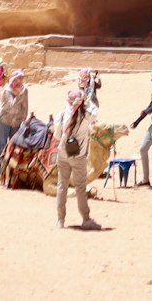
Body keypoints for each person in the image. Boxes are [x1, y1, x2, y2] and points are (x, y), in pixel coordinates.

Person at [53, 87, 100, 230]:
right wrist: (87, 102)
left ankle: (60, 220)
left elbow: (56, 136)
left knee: (62, 186)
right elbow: (95, 112)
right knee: (80, 187)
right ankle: (86, 219)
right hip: (78, 156)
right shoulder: (86, 116)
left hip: (62, 154)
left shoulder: (61, 115)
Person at [0, 70, 28, 173]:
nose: (21, 81)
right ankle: (0, 168)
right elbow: (11, 106)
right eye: (19, 78)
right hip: (5, 121)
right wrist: (18, 96)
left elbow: (25, 107)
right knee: (2, 144)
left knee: (14, 145)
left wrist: (23, 120)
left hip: (17, 122)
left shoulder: (24, 90)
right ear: (14, 79)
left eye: (22, 78)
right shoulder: (7, 91)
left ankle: (11, 169)